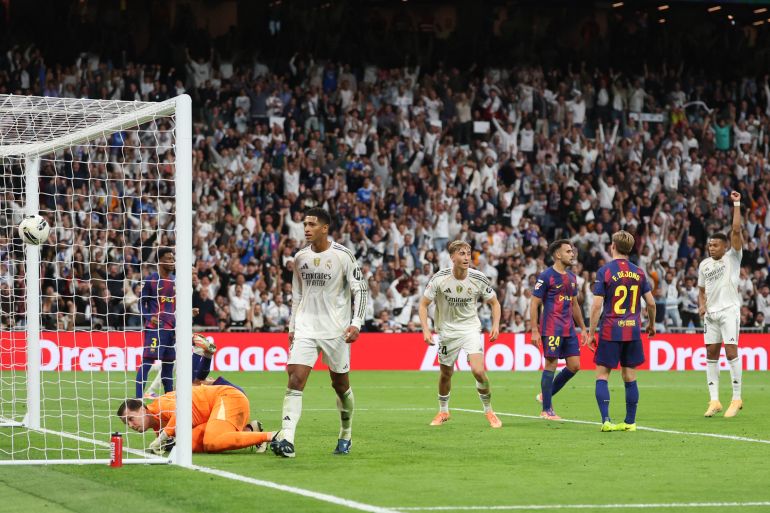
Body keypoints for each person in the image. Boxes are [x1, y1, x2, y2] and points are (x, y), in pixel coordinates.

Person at [270, 208, 367, 458]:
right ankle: (287, 439)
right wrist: (292, 327)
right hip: (305, 328)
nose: (307, 229)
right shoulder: (300, 258)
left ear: (325, 228)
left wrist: (356, 322)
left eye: (312, 224)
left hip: (336, 331)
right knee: (295, 379)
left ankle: (345, 433)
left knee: (340, 385)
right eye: (305, 224)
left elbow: (360, 290)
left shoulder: (343, 256)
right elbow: (297, 295)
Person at [418, 240, 503, 428]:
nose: (467, 258)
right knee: (446, 373)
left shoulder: (478, 278)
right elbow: (423, 305)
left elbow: (495, 303)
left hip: (470, 328)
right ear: (452, 257)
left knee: (478, 371)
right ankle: (443, 411)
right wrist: (426, 329)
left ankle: (489, 411)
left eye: (468, 254)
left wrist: (496, 325)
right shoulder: (440, 278)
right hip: (447, 331)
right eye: (462, 254)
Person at [585, 231, 656, 432]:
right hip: (632, 331)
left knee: (602, 376)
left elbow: (596, 306)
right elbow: (651, 303)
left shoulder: (605, 271)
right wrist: (651, 324)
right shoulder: (639, 272)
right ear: (630, 249)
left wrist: (591, 333)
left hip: (610, 330)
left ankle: (606, 420)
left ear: (613, 246)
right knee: (630, 376)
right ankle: (630, 422)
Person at [136, 250, 215, 398]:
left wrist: (189, 311)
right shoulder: (151, 280)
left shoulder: (176, 281)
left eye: (173, 259)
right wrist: (148, 316)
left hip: (171, 330)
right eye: (168, 259)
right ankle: (138, 400)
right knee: (146, 364)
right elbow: (141, 303)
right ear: (160, 261)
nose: (172, 262)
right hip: (155, 329)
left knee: (168, 368)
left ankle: (170, 400)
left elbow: (176, 305)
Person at [117, 382, 272, 454]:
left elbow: (181, 411)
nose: (130, 425)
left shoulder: (161, 405)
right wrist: (162, 442)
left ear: (143, 409)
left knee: (211, 441)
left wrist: (163, 437)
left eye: (131, 418)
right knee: (186, 446)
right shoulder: (158, 427)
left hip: (228, 397)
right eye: (126, 423)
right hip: (216, 413)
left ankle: (271, 436)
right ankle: (249, 430)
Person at [699, 191, 744, 418]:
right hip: (711, 315)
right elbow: (700, 290)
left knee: (731, 350)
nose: (711, 248)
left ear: (725, 246)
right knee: (711, 353)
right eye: (709, 245)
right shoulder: (705, 265)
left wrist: (736, 203)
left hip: (729, 311)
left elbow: (736, 230)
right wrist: (701, 305)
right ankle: (714, 400)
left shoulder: (732, 258)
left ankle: (736, 398)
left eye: (715, 245)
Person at [530, 240, 587, 420]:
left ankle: (544, 396)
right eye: (568, 251)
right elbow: (534, 303)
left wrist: (583, 328)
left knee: (574, 365)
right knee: (551, 365)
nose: (572, 254)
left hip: (569, 328)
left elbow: (575, 304)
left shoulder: (572, 277)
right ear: (558, 255)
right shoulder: (546, 276)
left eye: (572, 251)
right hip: (552, 327)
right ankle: (546, 410)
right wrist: (534, 330)